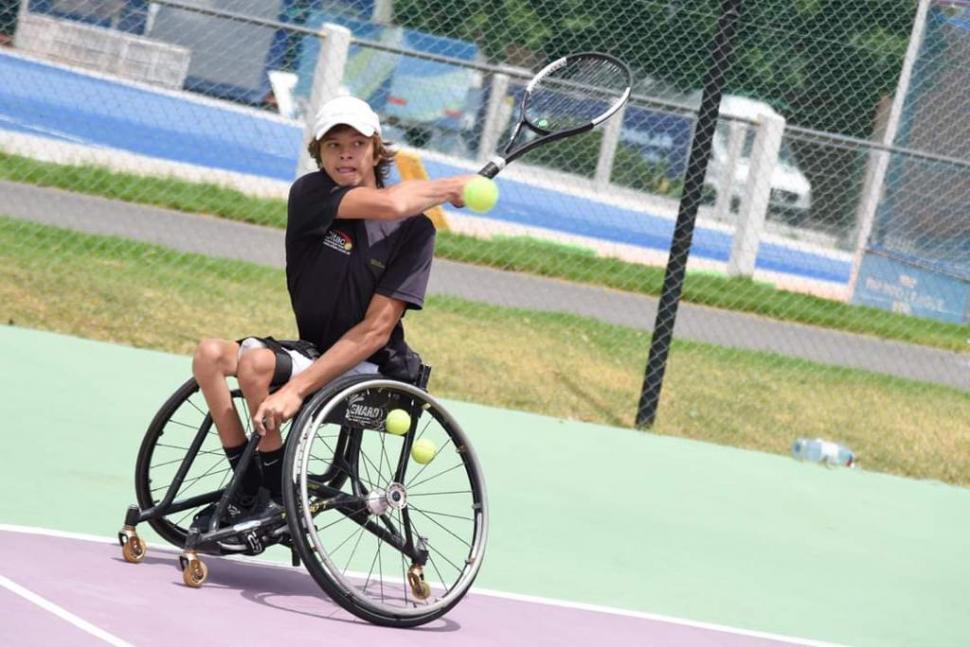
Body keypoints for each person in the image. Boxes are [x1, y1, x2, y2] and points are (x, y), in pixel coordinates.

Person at [190, 95, 474, 531]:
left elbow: (376, 331)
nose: (345, 152)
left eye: (358, 143)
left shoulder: (416, 233)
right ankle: (254, 486)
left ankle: (270, 490)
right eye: (333, 144)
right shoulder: (311, 195)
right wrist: (452, 186)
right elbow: (393, 203)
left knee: (255, 364)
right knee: (210, 354)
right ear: (318, 153)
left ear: (376, 149)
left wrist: (295, 390)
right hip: (317, 351)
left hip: (373, 371)